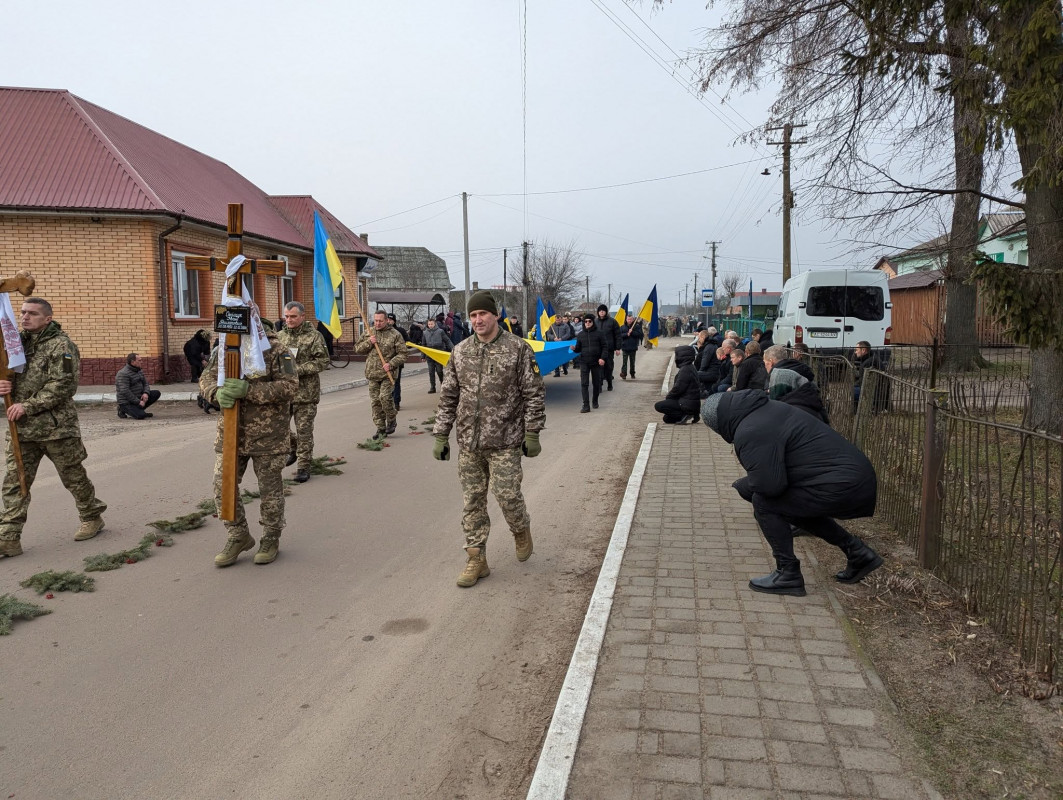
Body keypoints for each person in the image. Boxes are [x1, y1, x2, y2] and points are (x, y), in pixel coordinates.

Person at [700, 390, 884, 596]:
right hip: (851, 478)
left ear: (719, 423)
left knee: (765, 503)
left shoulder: (751, 430)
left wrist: (748, 485)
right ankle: (858, 553)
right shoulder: (765, 410)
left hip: (842, 484)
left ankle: (788, 573)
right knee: (792, 506)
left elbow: (770, 487)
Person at [432, 290, 545, 588]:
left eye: (483, 313)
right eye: (473, 315)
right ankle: (476, 559)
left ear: (495, 315)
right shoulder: (460, 351)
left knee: (507, 495)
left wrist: (532, 432)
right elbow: (448, 396)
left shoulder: (518, 349)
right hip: (469, 442)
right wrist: (440, 435)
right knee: (472, 502)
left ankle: (520, 528)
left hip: (506, 439)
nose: (478, 319)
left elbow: (533, 393)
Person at [0, 297, 107, 557]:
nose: (25, 317)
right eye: (23, 312)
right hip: (22, 429)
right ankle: (8, 538)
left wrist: (28, 405)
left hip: (56, 428)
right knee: (15, 483)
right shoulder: (15, 345)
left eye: (33, 314)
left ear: (47, 318)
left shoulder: (62, 346)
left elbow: (64, 386)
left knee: (72, 476)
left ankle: (92, 515)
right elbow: (7, 371)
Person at [200, 314, 298, 566]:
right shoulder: (225, 348)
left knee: (270, 491)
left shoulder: (276, 349)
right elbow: (207, 378)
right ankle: (238, 534)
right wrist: (215, 393)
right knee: (222, 485)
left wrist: (250, 391)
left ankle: (271, 536)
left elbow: (289, 387)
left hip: (268, 435)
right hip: (231, 433)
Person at [277, 301, 330, 483]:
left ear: (302, 316)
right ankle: (294, 447)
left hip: (306, 394)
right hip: (285, 393)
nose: (289, 320)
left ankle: (303, 467)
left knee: (304, 431)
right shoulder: (280, 336)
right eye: (286, 316)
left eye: (293, 316)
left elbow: (323, 361)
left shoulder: (314, 337)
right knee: (280, 427)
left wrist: (298, 369)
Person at [354, 310, 407, 439]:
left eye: (380, 321)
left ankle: (391, 418)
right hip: (372, 373)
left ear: (386, 320)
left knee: (384, 398)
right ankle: (381, 428)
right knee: (375, 402)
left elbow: (403, 354)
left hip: (387, 373)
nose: (377, 323)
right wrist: (369, 343)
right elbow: (357, 349)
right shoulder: (369, 332)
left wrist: (391, 363)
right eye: (375, 320)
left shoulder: (395, 334)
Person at [763, 344, 829, 424]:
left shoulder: (778, 376)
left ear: (771, 362)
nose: (765, 367)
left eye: (765, 363)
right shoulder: (800, 368)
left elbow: (775, 404)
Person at [571, 314, 608, 412]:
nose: (587, 323)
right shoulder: (580, 335)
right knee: (584, 384)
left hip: (596, 362)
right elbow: (578, 349)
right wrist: (574, 349)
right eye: (586, 321)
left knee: (596, 384)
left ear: (593, 322)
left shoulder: (599, 333)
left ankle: (595, 400)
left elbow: (605, 347)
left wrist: (602, 358)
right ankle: (586, 405)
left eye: (589, 321)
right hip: (584, 362)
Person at [654, 346, 700, 423]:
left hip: (686, 403)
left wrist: (669, 397)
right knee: (667, 419)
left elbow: (678, 388)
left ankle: (686, 414)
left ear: (682, 356)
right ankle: (691, 413)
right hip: (690, 402)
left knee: (658, 405)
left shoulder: (685, 370)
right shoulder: (690, 367)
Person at [115, 353, 161, 419]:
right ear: (132, 362)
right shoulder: (123, 373)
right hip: (127, 402)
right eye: (139, 360)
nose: (141, 362)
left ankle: (139, 410)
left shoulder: (139, 370)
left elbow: (145, 383)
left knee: (156, 393)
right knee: (141, 416)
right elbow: (125, 391)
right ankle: (122, 409)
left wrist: (146, 393)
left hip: (138, 397)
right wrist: (138, 401)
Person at [421, 317, 452, 393]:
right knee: (431, 372)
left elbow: (447, 340)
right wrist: (423, 356)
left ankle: (443, 385)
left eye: (432, 324)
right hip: (429, 355)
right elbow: (423, 345)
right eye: (429, 324)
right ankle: (432, 387)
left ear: (435, 324)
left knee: (439, 371)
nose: (430, 325)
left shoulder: (440, 331)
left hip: (438, 353)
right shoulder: (425, 333)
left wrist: (453, 349)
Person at [595, 304, 621, 390]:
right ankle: (600, 384)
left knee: (609, 366)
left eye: (603, 310)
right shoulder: (595, 322)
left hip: (609, 348)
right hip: (598, 348)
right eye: (600, 311)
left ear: (606, 312)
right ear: (598, 312)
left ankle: (609, 382)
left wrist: (618, 348)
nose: (601, 312)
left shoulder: (612, 321)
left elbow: (617, 335)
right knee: (599, 367)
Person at [387, 313, 409, 412]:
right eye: (387, 319)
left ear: (394, 321)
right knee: (387, 383)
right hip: (385, 363)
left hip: (397, 361)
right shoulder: (383, 331)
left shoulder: (400, 331)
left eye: (390, 320)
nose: (389, 321)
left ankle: (396, 402)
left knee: (396, 382)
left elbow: (408, 342)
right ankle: (388, 402)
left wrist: (402, 346)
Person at [619, 315, 643, 379]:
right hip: (625, 347)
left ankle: (632, 373)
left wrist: (632, 332)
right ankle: (624, 373)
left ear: (633, 320)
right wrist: (626, 334)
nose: (629, 320)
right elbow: (620, 335)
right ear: (626, 319)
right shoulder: (622, 327)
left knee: (632, 362)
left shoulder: (636, 326)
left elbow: (640, 334)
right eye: (628, 319)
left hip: (633, 347)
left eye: (630, 319)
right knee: (624, 362)